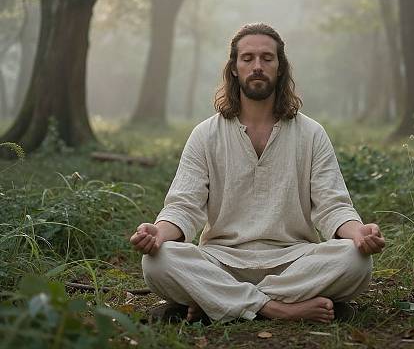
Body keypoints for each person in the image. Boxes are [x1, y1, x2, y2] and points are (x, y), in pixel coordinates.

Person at [130, 23, 385, 324]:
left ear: (280, 67)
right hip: (221, 259)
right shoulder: (205, 135)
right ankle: (278, 308)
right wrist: (158, 233)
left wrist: (360, 233)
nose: (258, 66)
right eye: (248, 58)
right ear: (234, 68)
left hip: (294, 261)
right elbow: (184, 206)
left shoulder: (311, 133)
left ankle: (220, 301)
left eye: (267, 58)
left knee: (356, 261)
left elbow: (333, 205)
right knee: (157, 262)